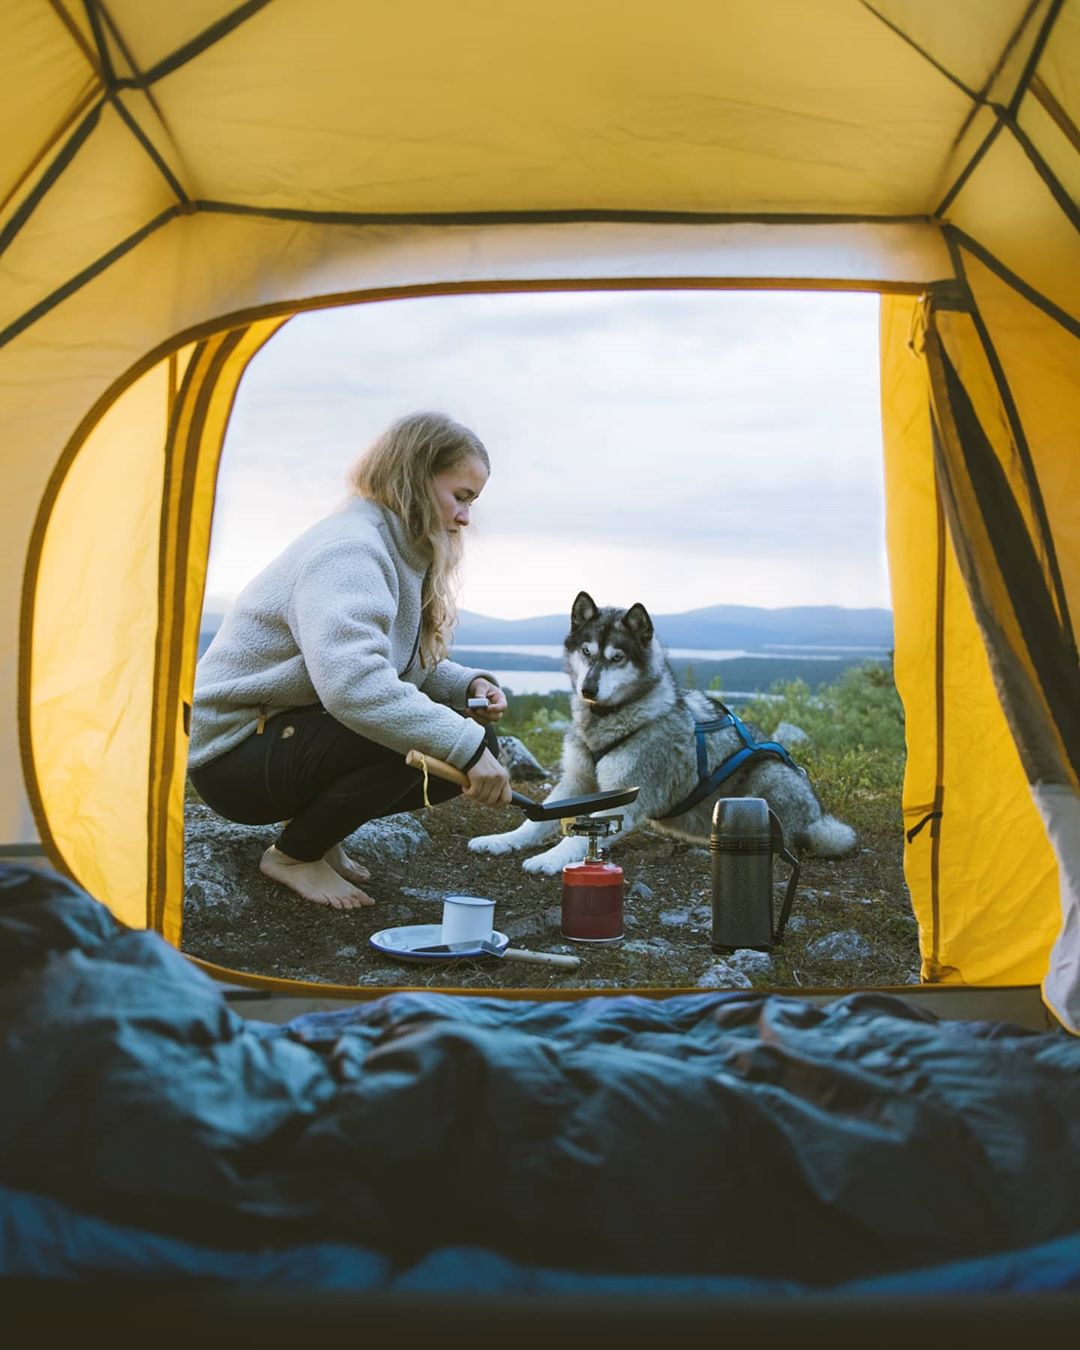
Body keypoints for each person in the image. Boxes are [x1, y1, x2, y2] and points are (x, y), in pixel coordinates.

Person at [187, 411, 511, 910]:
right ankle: (294, 856)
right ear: (416, 478)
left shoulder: (395, 545)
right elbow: (355, 686)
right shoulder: (350, 550)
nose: (465, 517)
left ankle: (319, 833)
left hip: (275, 734)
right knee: (428, 741)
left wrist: (465, 686)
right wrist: (463, 743)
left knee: (457, 734)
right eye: (460, 497)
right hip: (232, 755)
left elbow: (389, 661)